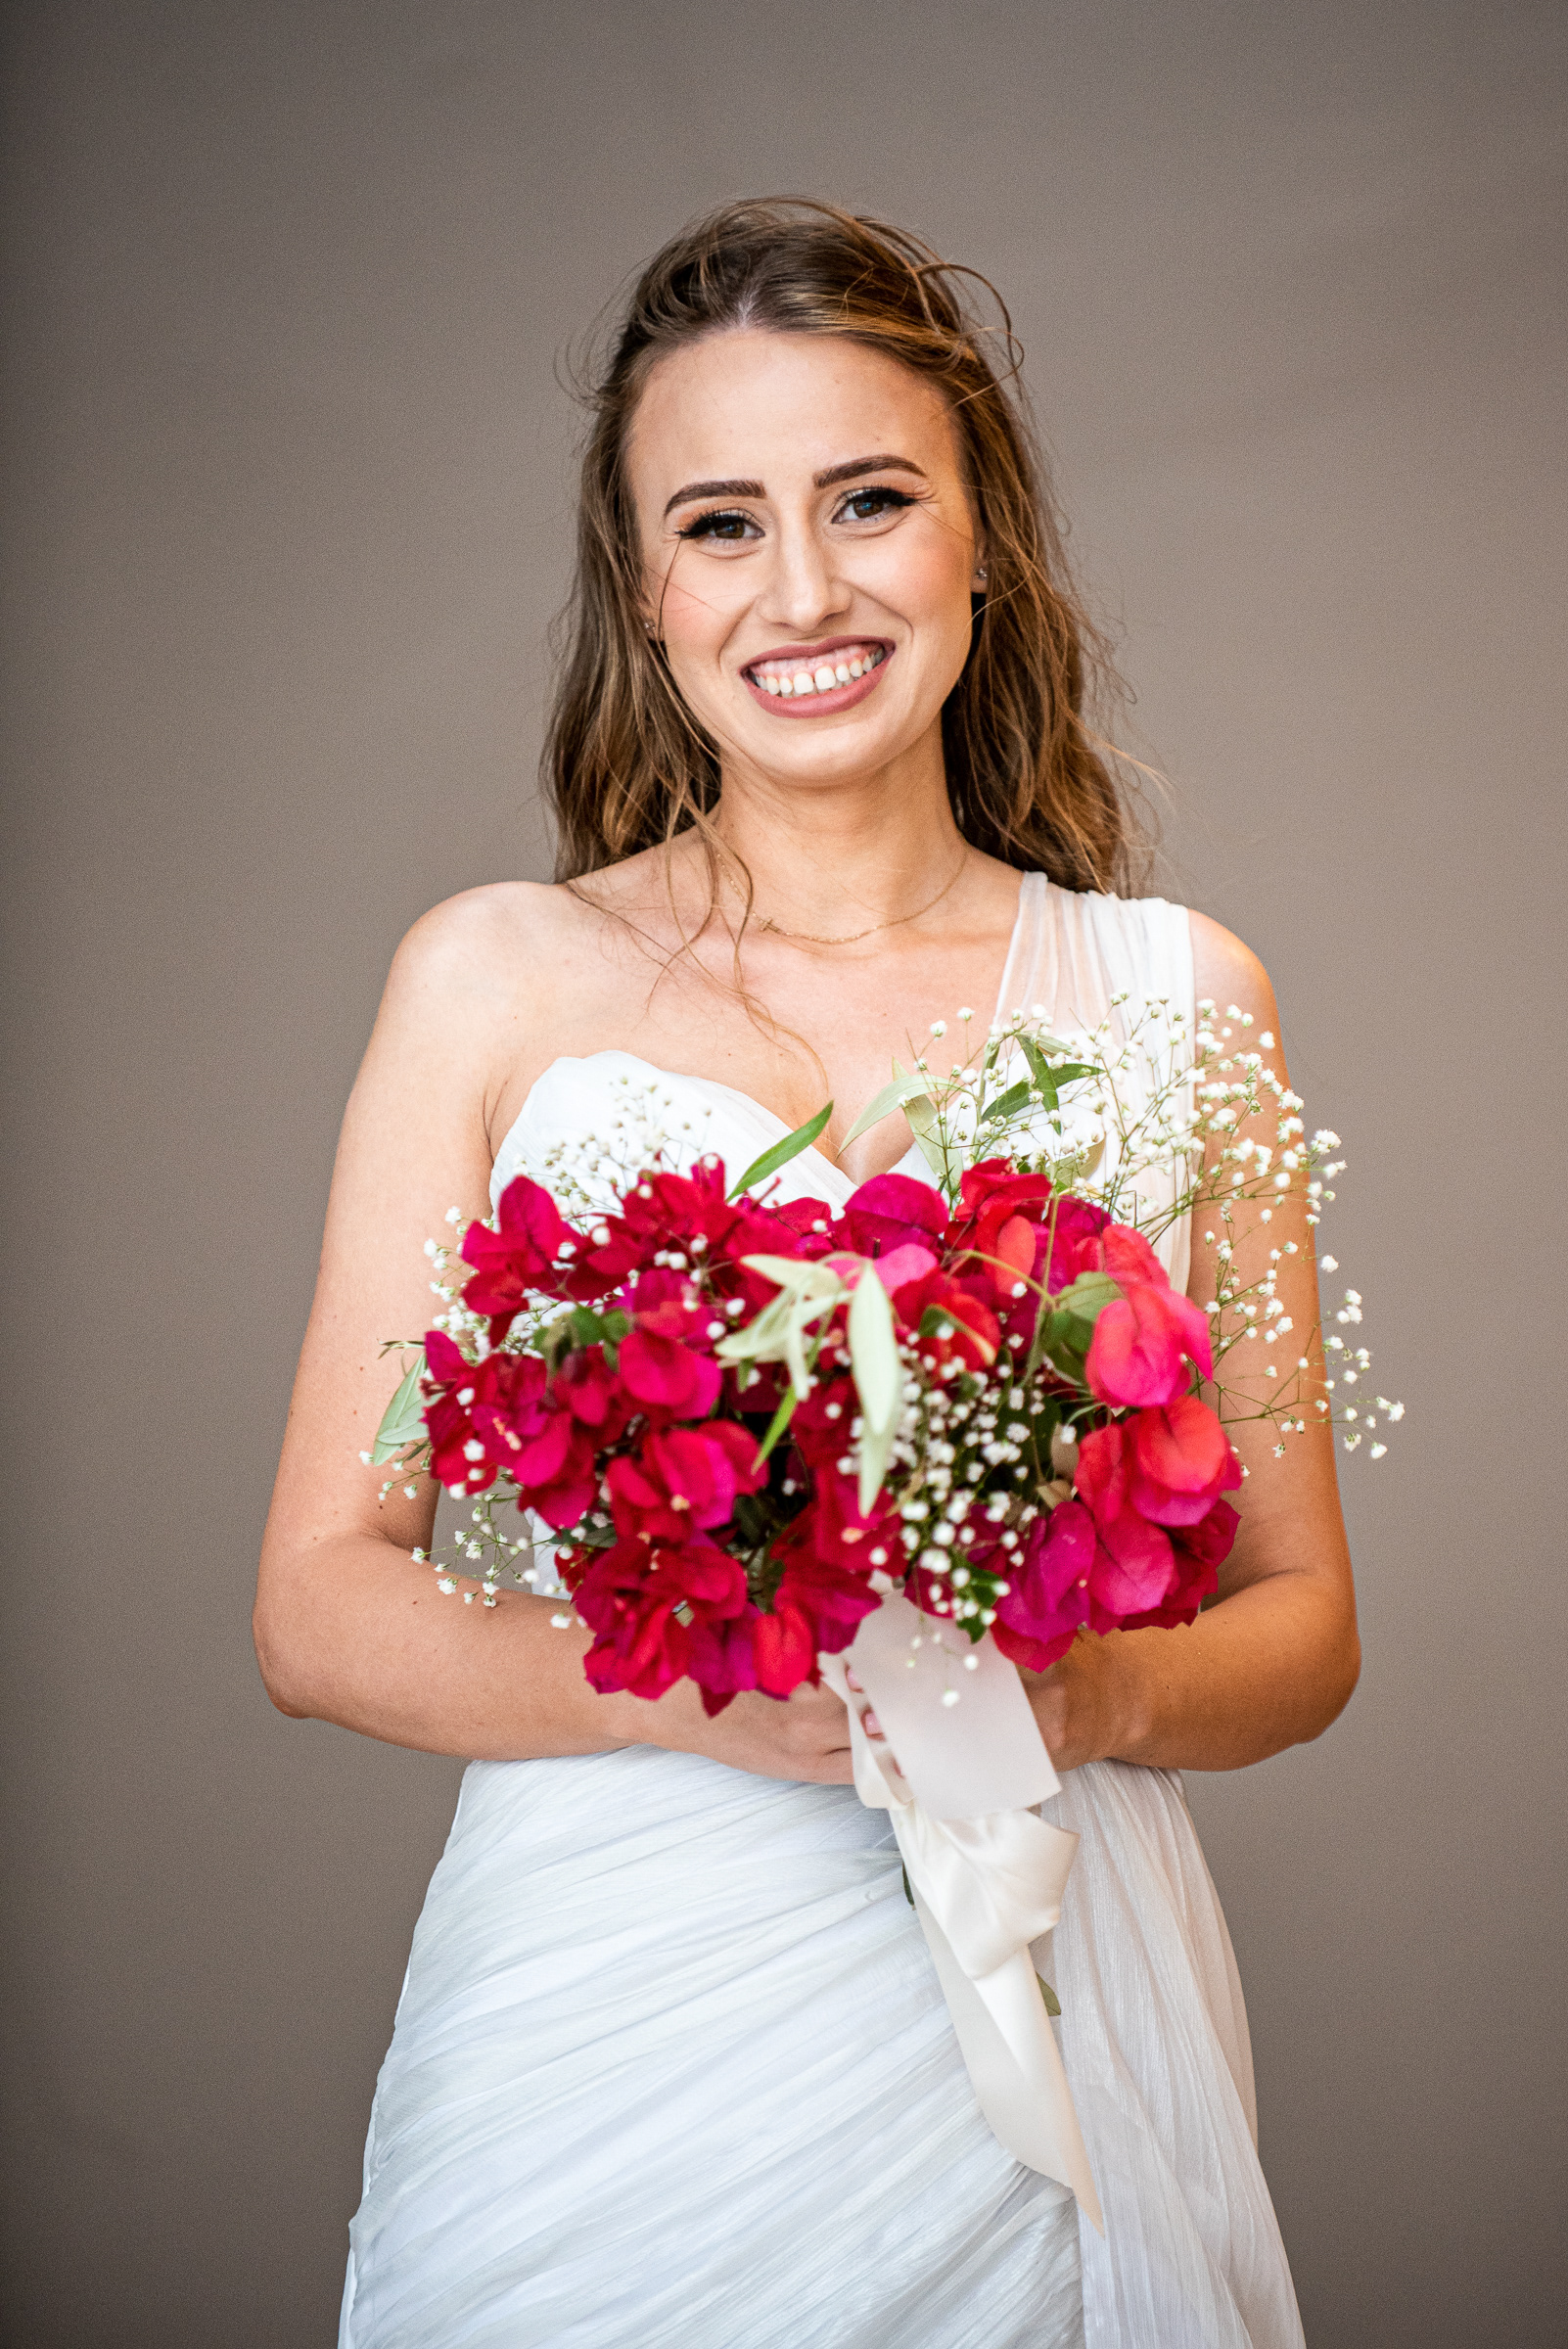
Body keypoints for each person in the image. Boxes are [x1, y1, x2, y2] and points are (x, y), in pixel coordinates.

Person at [255, 199, 1359, 2348]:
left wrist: (1090, 1698)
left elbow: (1302, 1621)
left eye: (869, 501)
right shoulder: (491, 976)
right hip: (605, 2004)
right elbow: (316, 1603)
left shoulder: (1180, 997)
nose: (803, 591)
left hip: (1046, 1972)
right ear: (645, 591)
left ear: (981, 539)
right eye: (722, 524)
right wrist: (705, 1690)